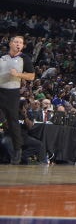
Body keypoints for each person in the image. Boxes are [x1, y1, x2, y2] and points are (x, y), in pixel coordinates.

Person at [0, 35, 34, 166]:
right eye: (16, 42)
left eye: (21, 42)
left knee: (13, 121)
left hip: (12, 92)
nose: (19, 44)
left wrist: (18, 74)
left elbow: (31, 76)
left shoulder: (24, 58)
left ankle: (17, 151)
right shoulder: (2, 57)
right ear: (10, 43)